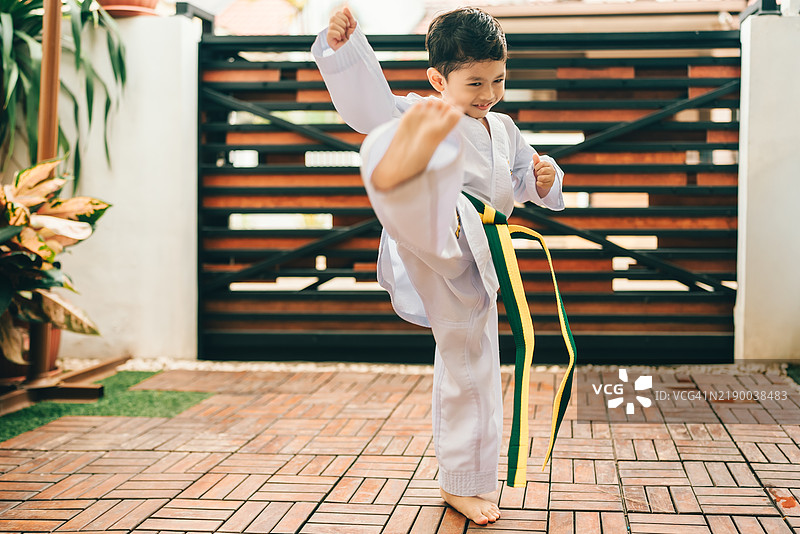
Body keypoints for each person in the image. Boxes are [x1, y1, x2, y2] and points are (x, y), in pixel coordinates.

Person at [312, 6, 567, 525]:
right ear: (437, 78)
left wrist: (543, 179)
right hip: (436, 236)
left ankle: (463, 478)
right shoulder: (422, 109)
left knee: (465, 355)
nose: (488, 93)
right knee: (469, 357)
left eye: (498, 80)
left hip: (478, 252)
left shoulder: (504, 128)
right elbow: (370, 111)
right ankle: (462, 483)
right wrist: (346, 51)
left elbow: (521, 181)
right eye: (474, 82)